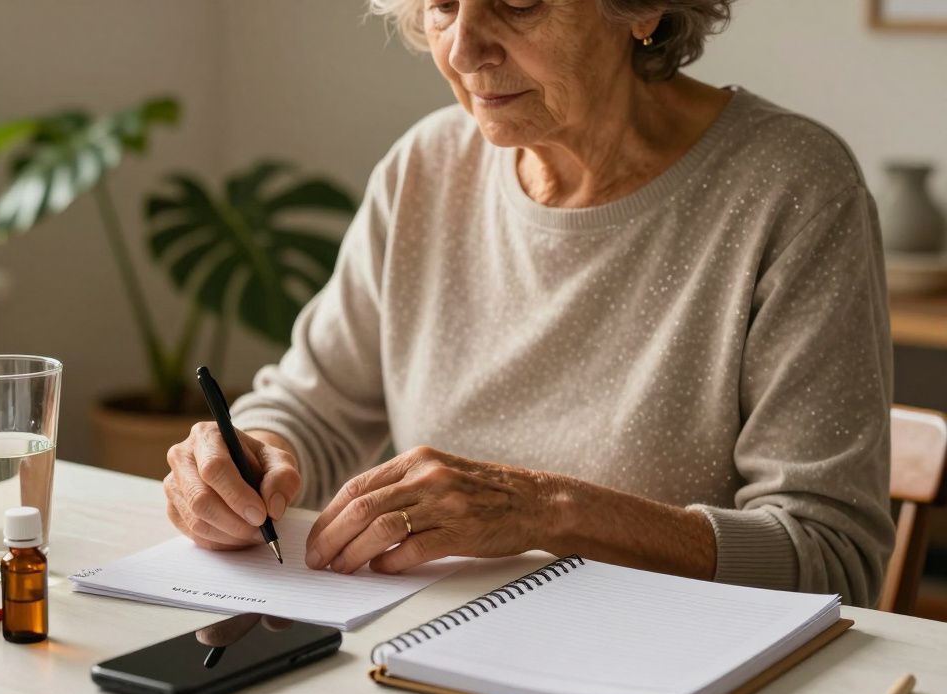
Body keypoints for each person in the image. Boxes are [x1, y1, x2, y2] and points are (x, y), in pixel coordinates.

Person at [163, 0, 896, 606]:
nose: (464, 49)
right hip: (431, 661)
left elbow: (832, 559)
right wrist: (248, 459)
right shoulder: (427, 168)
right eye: (444, 5)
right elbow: (312, 410)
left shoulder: (791, 190)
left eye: (517, 3)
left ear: (640, 10)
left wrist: (547, 512)